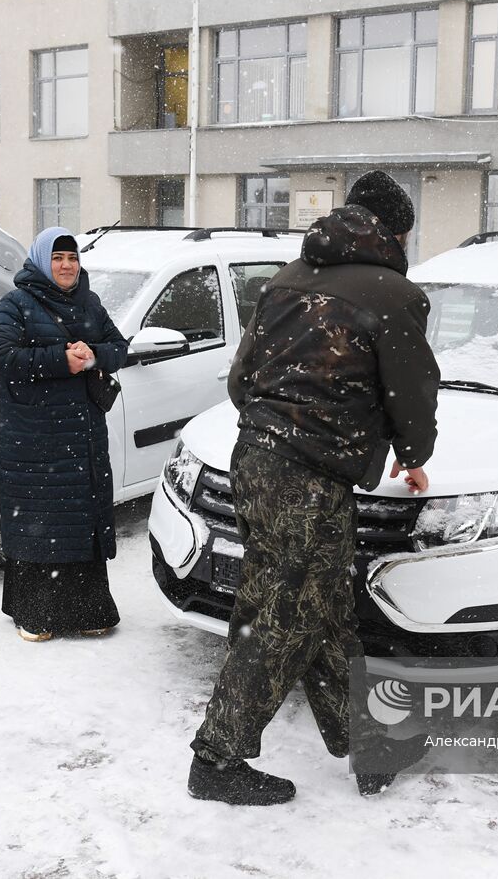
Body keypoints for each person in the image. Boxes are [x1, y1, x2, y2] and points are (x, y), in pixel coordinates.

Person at [188, 170, 441, 806]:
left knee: (323, 611)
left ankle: (370, 747)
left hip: (253, 460)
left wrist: (277, 428)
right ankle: (216, 757)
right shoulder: (392, 292)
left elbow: (241, 381)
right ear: (395, 229)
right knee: (285, 616)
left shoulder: (285, 279)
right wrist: (411, 454)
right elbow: (410, 390)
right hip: (307, 477)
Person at [0, 227, 128, 642]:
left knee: (80, 522)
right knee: (40, 524)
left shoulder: (89, 303)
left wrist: (93, 357)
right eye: (58, 258)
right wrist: (59, 360)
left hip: (82, 437)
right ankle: (35, 613)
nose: (67, 266)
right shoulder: (17, 303)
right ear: (41, 261)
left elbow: (119, 348)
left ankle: (86, 611)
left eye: (73, 257)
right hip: (34, 438)